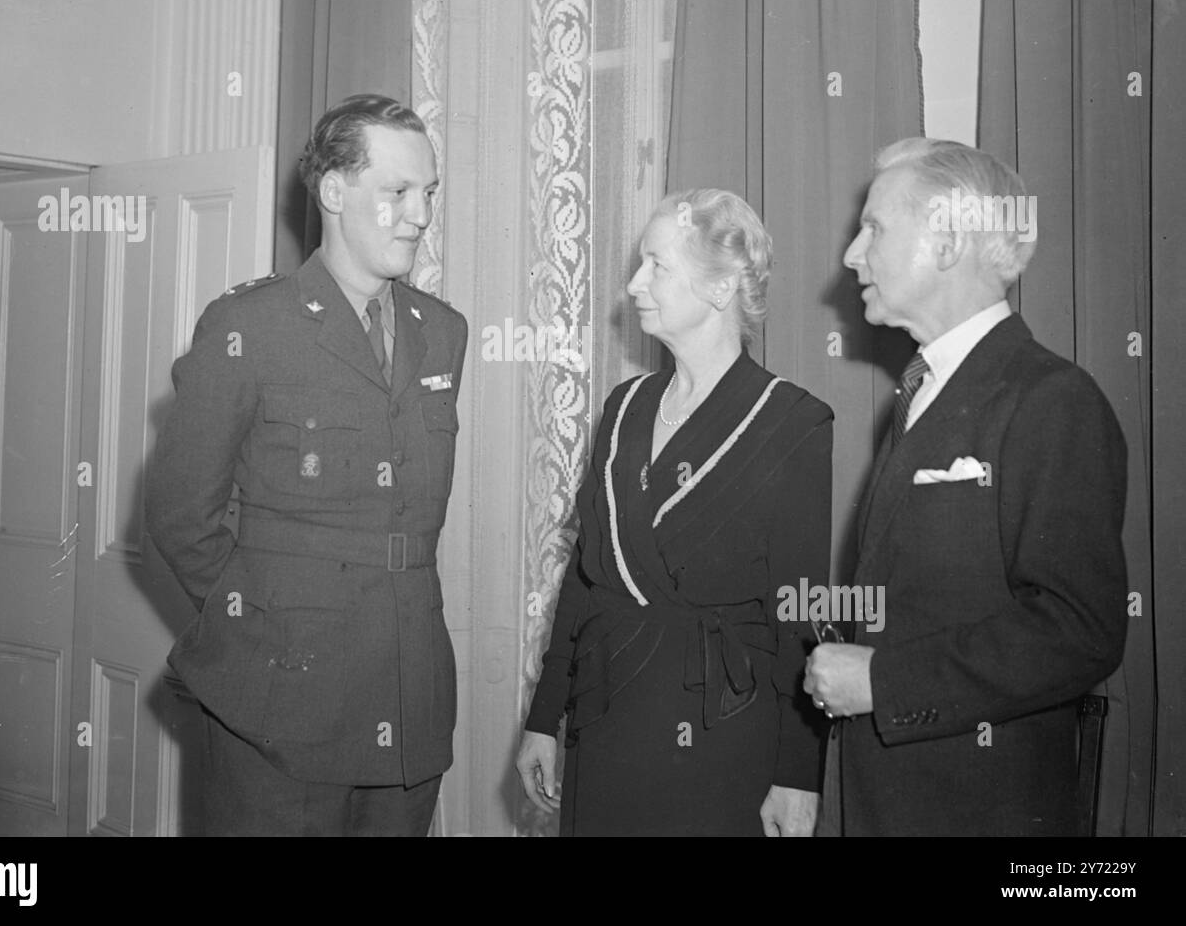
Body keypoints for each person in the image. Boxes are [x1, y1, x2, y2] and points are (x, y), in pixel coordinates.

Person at [146, 94, 467, 836]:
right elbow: (178, 515)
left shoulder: (441, 334)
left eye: (428, 192)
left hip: (408, 697)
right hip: (279, 705)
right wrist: (265, 622)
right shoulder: (250, 328)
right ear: (333, 191)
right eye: (397, 191)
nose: (419, 213)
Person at [809, 138, 1128, 836]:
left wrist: (883, 682)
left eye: (875, 228)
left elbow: (1082, 629)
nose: (853, 254)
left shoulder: (1052, 398)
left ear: (948, 241)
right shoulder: (918, 395)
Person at [516, 189, 833, 836]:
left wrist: (800, 774)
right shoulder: (626, 405)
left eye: (656, 265)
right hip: (609, 722)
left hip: (724, 735)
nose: (634, 285)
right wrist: (544, 718)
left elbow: (801, 611)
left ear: (721, 287)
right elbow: (585, 580)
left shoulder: (789, 421)